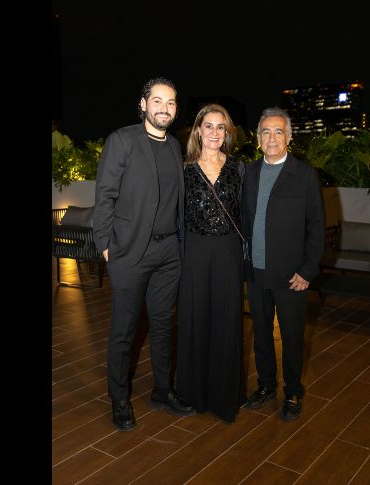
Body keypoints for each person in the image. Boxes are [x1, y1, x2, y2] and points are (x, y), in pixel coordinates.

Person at [93, 77, 194, 431]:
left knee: (164, 325)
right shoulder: (122, 140)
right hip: (130, 251)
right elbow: (104, 195)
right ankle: (119, 399)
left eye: (171, 102)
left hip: (169, 251)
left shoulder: (174, 147)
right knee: (125, 330)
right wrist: (105, 245)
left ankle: (162, 391)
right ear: (143, 104)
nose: (164, 108)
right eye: (158, 101)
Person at [241, 107, 325, 421]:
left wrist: (307, 270)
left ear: (288, 137)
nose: (272, 138)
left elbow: (317, 226)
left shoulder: (303, 174)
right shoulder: (247, 173)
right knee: (261, 334)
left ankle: (292, 391)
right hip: (256, 272)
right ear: (258, 138)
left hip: (292, 276)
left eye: (278, 131)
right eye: (266, 132)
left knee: (291, 337)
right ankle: (265, 386)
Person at [176, 104, 247, 423]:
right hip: (194, 251)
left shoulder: (239, 169)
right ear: (198, 131)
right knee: (195, 318)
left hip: (228, 252)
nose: (215, 132)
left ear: (227, 133)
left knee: (227, 319)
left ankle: (224, 397)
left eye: (221, 127)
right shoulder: (184, 170)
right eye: (209, 126)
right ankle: (194, 393)